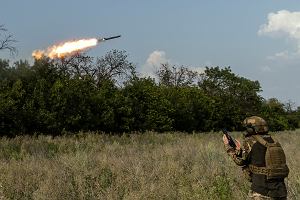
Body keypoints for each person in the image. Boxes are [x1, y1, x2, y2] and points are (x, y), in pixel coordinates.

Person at [223, 116, 289, 200]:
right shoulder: (274, 141)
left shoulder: (251, 141)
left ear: (252, 129)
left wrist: (228, 147)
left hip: (261, 190)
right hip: (280, 191)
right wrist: (240, 150)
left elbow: (240, 161)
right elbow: (259, 157)